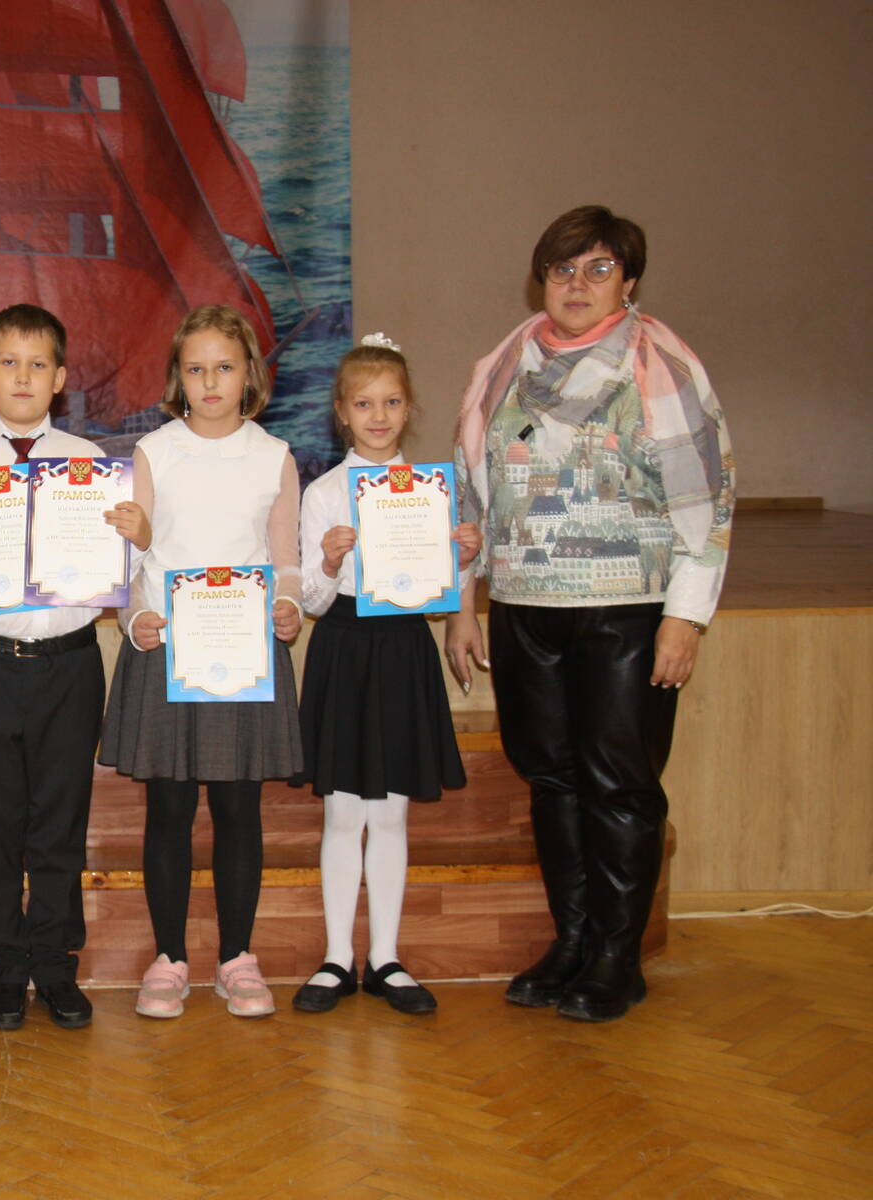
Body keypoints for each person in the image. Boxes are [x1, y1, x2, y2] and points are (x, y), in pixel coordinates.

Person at [444, 205, 735, 1023]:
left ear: (628, 282)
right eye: (563, 269)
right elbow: (473, 499)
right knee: (552, 779)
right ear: (541, 278)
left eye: (598, 269)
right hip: (525, 606)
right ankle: (571, 941)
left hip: (628, 611)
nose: (577, 285)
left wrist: (685, 617)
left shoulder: (662, 365)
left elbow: (709, 502)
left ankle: (617, 956)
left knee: (620, 785)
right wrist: (464, 604)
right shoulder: (506, 362)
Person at [0, 304, 150, 1031]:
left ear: (60, 378)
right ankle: (3, 969)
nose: (22, 377)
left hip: (69, 666)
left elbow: (122, 574)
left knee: (59, 825)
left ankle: (54, 967)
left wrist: (136, 539)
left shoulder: (90, 464)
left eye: (38, 364)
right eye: (9, 363)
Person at [99, 304, 301, 1020]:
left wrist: (289, 606)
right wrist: (135, 619)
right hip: (168, 654)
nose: (210, 382)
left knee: (239, 809)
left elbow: (286, 561)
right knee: (170, 810)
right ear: (176, 378)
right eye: (195, 369)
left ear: (249, 374)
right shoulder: (154, 452)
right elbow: (132, 558)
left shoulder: (274, 456)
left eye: (224, 367)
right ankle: (169, 958)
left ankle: (237, 958)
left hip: (245, 655)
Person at [288, 335, 481, 1016]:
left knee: (392, 813)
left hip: (403, 650)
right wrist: (330, 562)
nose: (378, 416)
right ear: (342, 411)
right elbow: (312, 600)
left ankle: (386, 958)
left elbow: (442, 589)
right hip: (344, 649)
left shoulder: (432, 491)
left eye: (392, 402)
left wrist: (465, 559)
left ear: (409, 408)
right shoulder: (323, 493)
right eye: (364, 403)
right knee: (343, 813)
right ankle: (337, 958)